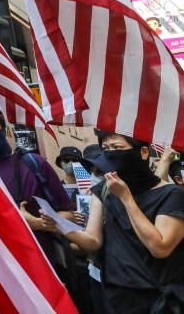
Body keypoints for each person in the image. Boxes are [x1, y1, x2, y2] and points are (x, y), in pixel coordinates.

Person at [62, 131, 184, 311]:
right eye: (106, 149)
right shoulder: (103, 190)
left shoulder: (172, 195)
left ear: (143, 152)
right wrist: (57, 225)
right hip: (115, 295)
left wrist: (126, 198)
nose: (111, 154)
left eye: (117, 148)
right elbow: (93, 240)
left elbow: (160, 248)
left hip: (156, 300)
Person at [0, 104, 78, 285]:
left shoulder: (34, 164)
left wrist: (37, 224)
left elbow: (69, 216)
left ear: (4, 128)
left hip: (40, 268)